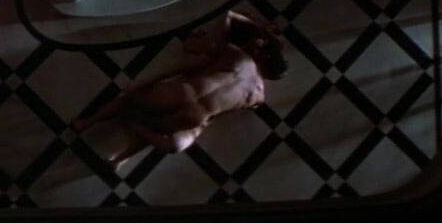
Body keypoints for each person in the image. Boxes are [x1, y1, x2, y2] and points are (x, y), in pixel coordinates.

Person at [71, 11, 288, 167]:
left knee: (131, 99)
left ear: (263, 56)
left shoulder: (239, 57)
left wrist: (258, 29)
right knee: (165, 133)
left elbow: (226, 15)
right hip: (195, 117)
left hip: (184, 92)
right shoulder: (258, 97)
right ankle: (121, 156)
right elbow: (223, 112)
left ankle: (87, 122)